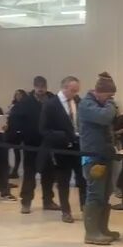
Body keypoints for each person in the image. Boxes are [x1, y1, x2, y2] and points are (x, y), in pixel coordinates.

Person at [79, 72, 120, 245]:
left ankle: (102, 228)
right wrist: (111, 104)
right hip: (92, 157)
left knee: (106, 192)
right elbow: (104, 117)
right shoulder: (86, 104)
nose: (110, 100)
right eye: (108, 96)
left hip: (105, 155)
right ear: (98, 92)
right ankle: (91, 233)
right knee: (95, 193)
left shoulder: (101, 104)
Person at [7, 77, 59, 214]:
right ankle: (26, 202)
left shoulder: (52, 100)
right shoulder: (26, 102)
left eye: (43, 86)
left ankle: (48, 200)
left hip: (48, 142)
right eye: (38, 86)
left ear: (46, 86)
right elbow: (15, 120)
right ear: (34, 87)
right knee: (29, 174)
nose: (40, 89)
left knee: (49, 173)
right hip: (31, 143)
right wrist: (19, 136)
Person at [39, 76, 87, 223]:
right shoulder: (51, 104)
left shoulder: (77, 102)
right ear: (64, 88)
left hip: (78, 146)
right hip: (61, 148)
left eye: (77, 90)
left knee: (82, 178)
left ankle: (86, 209)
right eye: (73, 90)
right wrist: (63, 136)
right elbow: (44, 129)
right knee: (63, 180)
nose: (75, 93)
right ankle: (66, 211)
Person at [7, 90, 23, 179]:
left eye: (20, 95)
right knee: (7, 150)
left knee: (17, 151)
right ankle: (8, 169)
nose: (18, 96)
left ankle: (15, 170)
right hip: (10, 130)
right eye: (16, 95)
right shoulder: (13, 105)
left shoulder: (24, 105)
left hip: (18, 131)